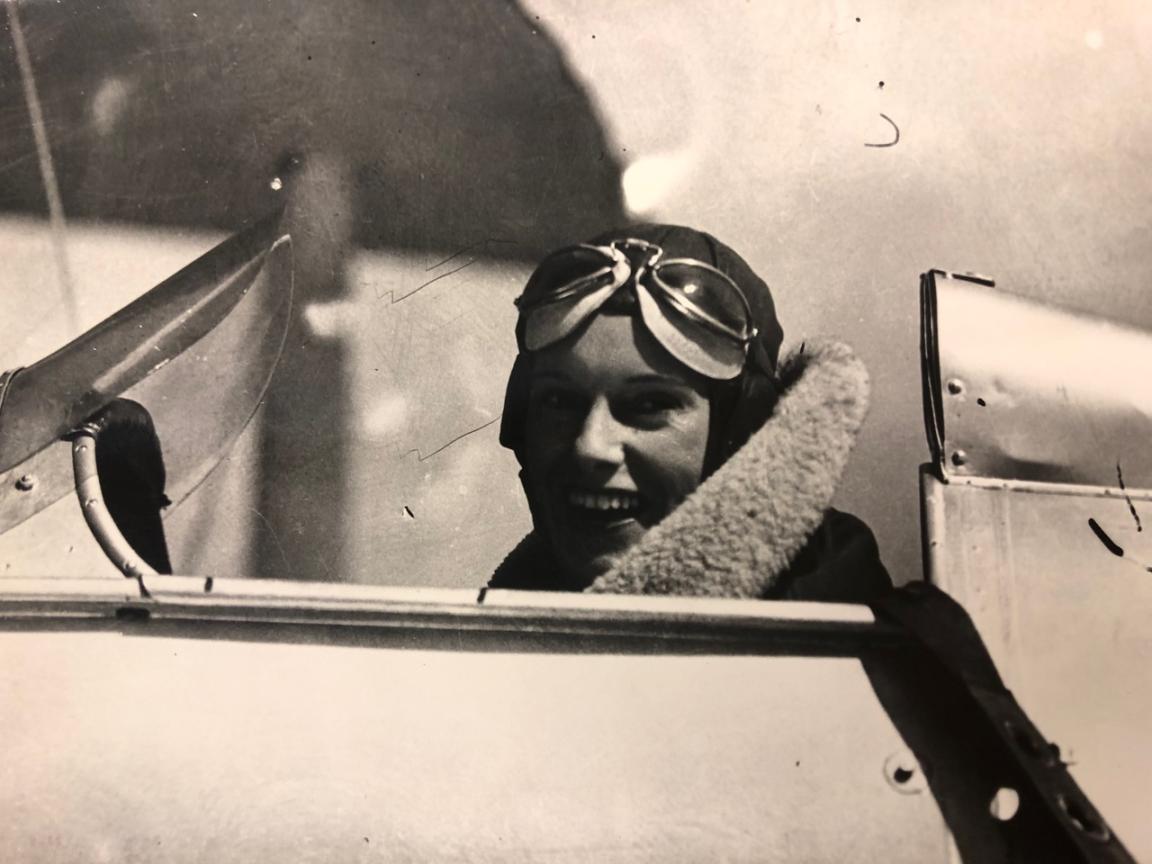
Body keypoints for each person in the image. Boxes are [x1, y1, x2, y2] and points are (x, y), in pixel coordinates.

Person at [489, 224, 890, 602]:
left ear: (741, 441)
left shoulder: (857, 646)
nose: (590, 447)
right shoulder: (493, 635)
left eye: (649, 405)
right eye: (559, 402)